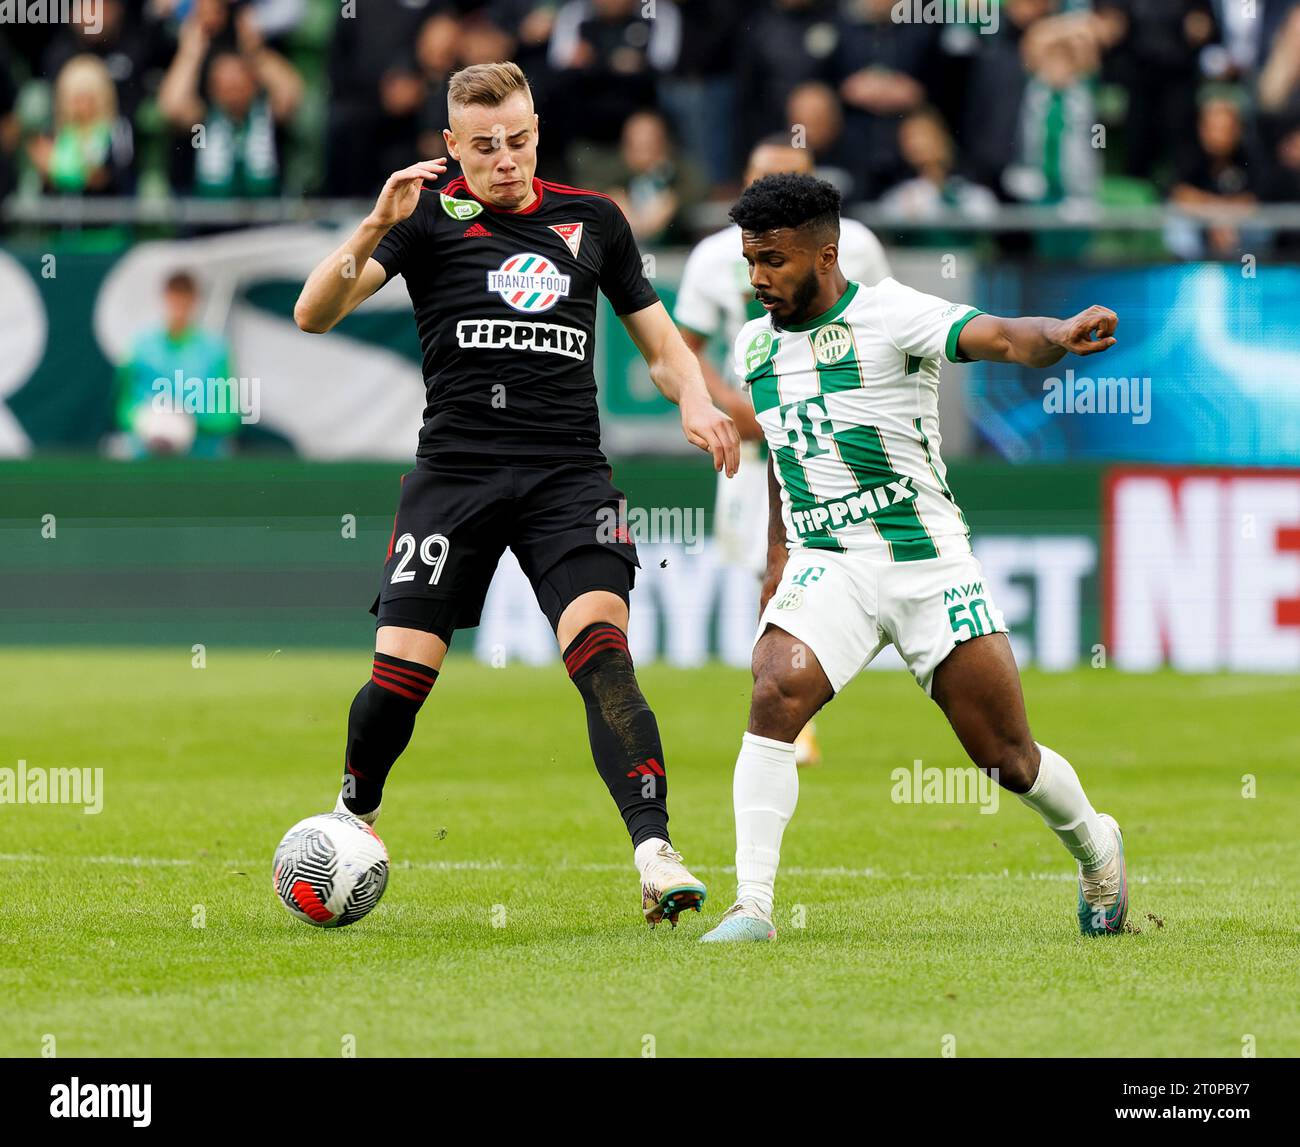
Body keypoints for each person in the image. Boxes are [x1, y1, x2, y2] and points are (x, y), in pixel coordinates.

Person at [293, 62, 739, 928]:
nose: (506, 159)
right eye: (486, 145)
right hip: (454, 477)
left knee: (602, 649)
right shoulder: (421, 217)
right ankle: (353, 815)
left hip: (568, 476)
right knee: (399, 678)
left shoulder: (594, 220)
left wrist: (693, 396)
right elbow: (315, 313)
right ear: (452, 146)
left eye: (521, 139)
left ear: (538, 131)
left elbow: (660, 343)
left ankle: (656, 852)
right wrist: (373, 223)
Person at [698, 173, 1127, 943]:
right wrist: (776, 555)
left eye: (773, 261)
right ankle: (752, 905)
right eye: (749, 261)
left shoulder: (893, 312)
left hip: (927, 560)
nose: (757, 279)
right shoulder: (754, 345)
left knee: (1005, 755)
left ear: (825, 254)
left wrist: (1056, 335)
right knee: (774, 691)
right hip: (831, 561)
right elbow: (782, 450)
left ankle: (1098, 848)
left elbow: (997, 336)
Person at [674, 135, 890, 767]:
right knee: (766, 569)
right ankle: (786, 713)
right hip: (760, 434)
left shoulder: (861, 246)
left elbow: (884, 329)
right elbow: (682, 349)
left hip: (835, 431)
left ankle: (802, 699)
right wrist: (728, 408)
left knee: (840, 554)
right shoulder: (716, 257)